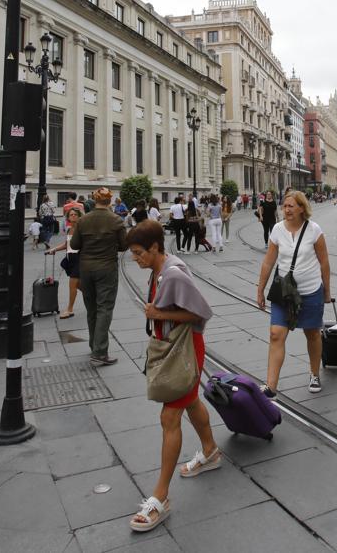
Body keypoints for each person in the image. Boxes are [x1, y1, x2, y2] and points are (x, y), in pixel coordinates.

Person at [126, 220, 220, 533]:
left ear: (155, 248)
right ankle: (210, 451)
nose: (135, 258)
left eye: (139, 253)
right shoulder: (159, 269)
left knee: (170, 418)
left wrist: (159, 314)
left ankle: (160, 498)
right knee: (190, 402)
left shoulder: (174, 273)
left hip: (184, 351)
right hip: (174, 346)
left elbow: (201, 313)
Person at [255, 191, 331, 397]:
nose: (286, 210)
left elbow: (324, 263)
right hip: (285, 293)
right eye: (284, 206)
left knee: (313, 334)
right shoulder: (278, 230)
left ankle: (314, 374)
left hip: (310, 291)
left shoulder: (314, 230)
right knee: (276, 335)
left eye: (291, 206)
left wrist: (327, 291)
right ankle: (270, 386)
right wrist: (260, 289)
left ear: (301, 208)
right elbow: (269, 262)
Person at [70, 188, 128, 365]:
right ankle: (100, 352)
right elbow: (124, 245)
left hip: (86, 268)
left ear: (95, 200)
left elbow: (75, 244)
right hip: (106, 268)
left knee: (92, 308)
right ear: (109, 201)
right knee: (104, 308)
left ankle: (93, 345)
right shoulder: (116, 220)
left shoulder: (83, 220)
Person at [46, 206, 83, 319]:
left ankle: (69, 309)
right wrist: (54, 249)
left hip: (79, 258)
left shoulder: (81, 229)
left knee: (72, 284)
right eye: (71, 215)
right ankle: (95, 297)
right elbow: (67, 244)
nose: (73, 216)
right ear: (68, 217)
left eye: (75, 214)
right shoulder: (68, 229)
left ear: (79, 216)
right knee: (79, 285)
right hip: (70, 259)